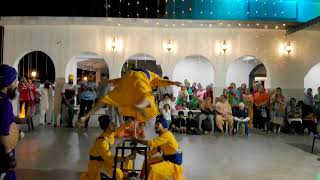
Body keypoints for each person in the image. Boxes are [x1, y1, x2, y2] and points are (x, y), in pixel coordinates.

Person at [77, 69, 181, 127]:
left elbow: (118, 80)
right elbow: (162, 81)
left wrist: (107, 81)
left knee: (108, 98)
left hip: (127, 77)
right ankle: (139, 106)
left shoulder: (132, 74)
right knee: (149, 96)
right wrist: (173, 83)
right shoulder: (152, 76)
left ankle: (85, 117)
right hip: (140, 77)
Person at [81, 115, 135, 180]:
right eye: (111, 123)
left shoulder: (110, 134)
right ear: (107, 127)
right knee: (118, 174)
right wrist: (125, 158)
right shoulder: (102, 142)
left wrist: (133, 117)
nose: (114, 124)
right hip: (96, 164)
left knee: (128, 161)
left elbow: (123, 126)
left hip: (105, 159)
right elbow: (110, 158)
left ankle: (127, 174)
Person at [0, 65, 21, 180]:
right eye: (14, 81)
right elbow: (3, 133)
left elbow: (7, 123)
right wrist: (9, 155)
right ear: (8, 83)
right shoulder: (5, 104)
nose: (16, 85)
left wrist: (18, 132)